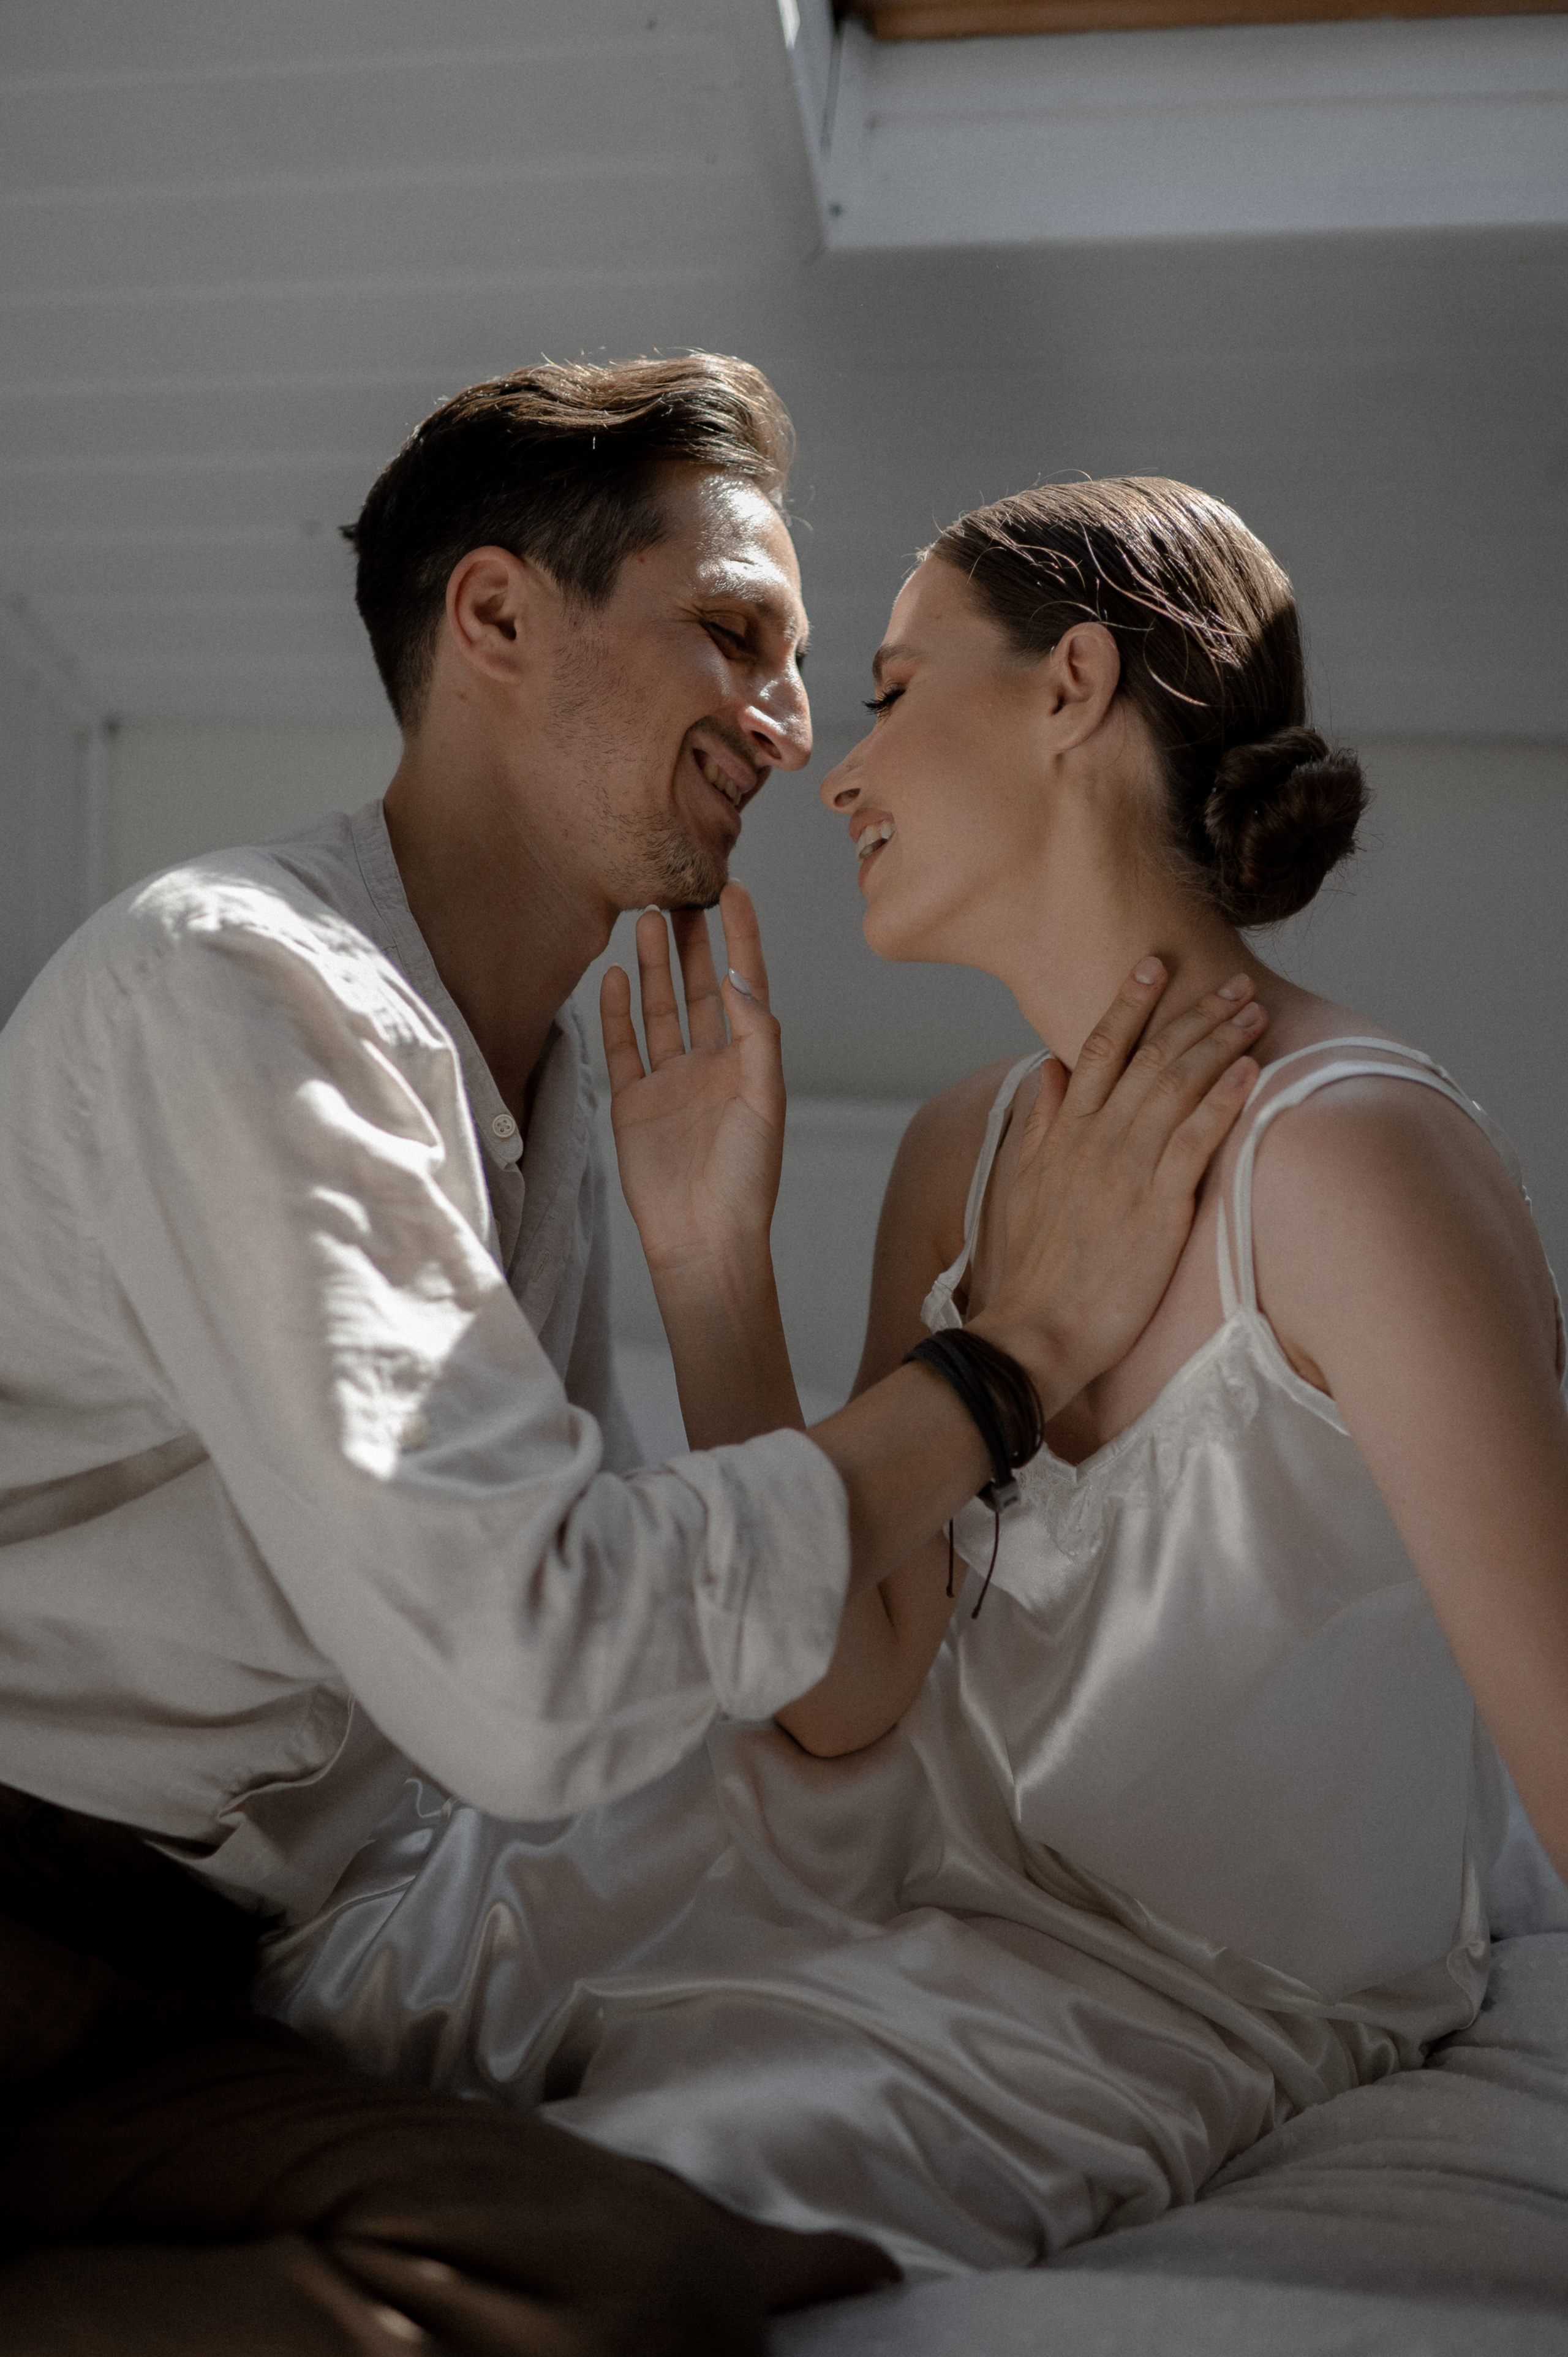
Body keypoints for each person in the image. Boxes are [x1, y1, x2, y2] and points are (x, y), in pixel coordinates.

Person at [0, 362, 1261, 2339]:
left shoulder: (571, 1080)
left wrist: (708, 1253)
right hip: (26, 1912)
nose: (785, 725)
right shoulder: (232, 987)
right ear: (495, 618)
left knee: (657, 2263)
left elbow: (612, 1682)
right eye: (736, 635)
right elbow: (527, 1672)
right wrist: (1010, 1364)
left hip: (183, 1985)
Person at [263, 475, 1568, 2285]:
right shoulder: (962, 1152)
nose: (837, 767)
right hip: (858, 1829)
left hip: (1149, 1973)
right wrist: (714, 1252)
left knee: (613, 2210)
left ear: (1071, 686)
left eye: (889, 690)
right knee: (356, 1994)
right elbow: (846, 1695)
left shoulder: (1354, 1164)